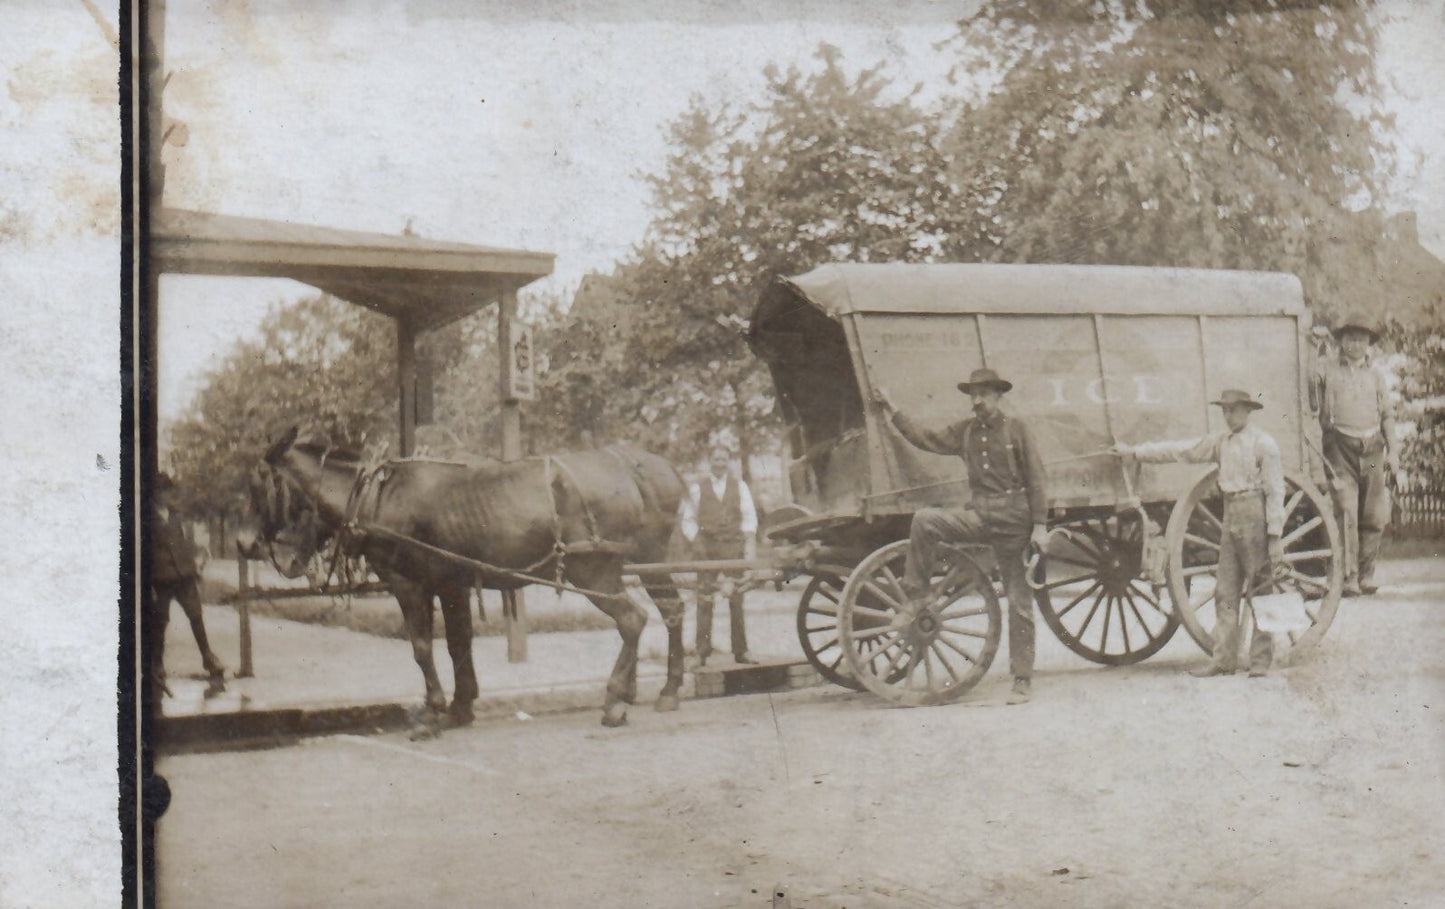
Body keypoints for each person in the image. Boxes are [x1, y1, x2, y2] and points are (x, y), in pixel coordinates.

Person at [875, 368, 1051, 705]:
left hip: (1016, 523)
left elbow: (1037, 479)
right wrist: (892, 409)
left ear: (999, 397)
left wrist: (1040, 526)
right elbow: (925, 438)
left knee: (1018, 601)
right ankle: (919, 598)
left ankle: (1022, 680)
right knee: (925, 521)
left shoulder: (1017, 429)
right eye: (973, 395)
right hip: (981, 518)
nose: (978, 401)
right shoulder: (966, 432)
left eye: (984, 394)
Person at [1117, 390, 1285, 678]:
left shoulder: (1264, 445)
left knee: (1261, 589)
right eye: (1225, 411)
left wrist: (1275, 536)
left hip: (1254, 512)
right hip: (1230, 512)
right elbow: (1183, 450)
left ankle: (1259, 661)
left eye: (1234, 410)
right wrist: (1136, 452)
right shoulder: (1220, 443)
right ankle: (1223, 660)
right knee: (1225, 590)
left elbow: (1275, 492)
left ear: (1247, 411)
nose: (1229, 416)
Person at [1315, 312, 1400, 596]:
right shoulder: (1326, 368)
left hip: (1373, 447)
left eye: (1361, 339)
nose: (1355, 344)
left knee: (1374, 515)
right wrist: (1312, 342)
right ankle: (1348, 578)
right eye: (1350, 338)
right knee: (1346, 511)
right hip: (1340, 447)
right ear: (1340, 341)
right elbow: (1309, 380)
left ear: (1368, 343)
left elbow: (1387, 415)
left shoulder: (1375, 375)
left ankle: (1366, 574)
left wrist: (1394, 451)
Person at [150, 473, 226, 707]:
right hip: (162, 577)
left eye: (170, 492)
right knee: (161, 621)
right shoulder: (146, 518)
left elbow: (182, 543)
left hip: (184, 575)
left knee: (196, 616)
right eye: (166, 492)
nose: (170, 496)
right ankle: (157, 665)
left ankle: (208, 658)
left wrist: (195, 564)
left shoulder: (175, 516)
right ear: (156, 494)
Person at [679, 447, 758, 666]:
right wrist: (697, 540)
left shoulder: (740, 487)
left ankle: (741, 651)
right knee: (705, 599)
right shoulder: (697, 489)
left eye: (724, 460)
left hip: (733, 547)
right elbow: (688, 519)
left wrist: (748, 541)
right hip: (708, 549)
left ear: (729, 462)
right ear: (709, 461)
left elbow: (749, 517)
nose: (720, 464)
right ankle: (701, 653)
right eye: (716, 460)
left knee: (736, 598)